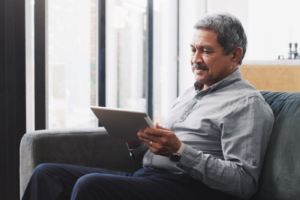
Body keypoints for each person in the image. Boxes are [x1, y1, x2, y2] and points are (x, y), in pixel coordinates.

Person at [22, 13, 274, 200]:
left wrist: (180, 151)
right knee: (47, 174)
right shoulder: (191, 93)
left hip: (189, 189)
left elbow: (243, 183)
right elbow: (151, 159)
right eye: (193, 49)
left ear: (235, 55)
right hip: (149, 179)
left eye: (206, 51)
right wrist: (138, 145)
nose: (195, 59)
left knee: (91, 186)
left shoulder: (246, 104)